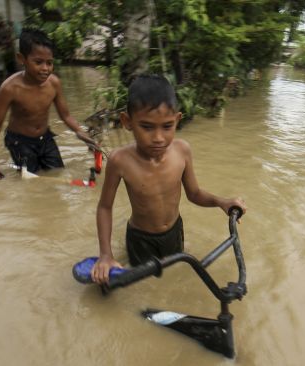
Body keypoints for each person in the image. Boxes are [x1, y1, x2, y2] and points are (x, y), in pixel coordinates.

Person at [91, 74, 247, 285]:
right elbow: (104, 208)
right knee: (143, 287)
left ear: (177, 121)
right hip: (141, 239)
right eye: (146, 127)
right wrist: (105, 255)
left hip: (174, 233)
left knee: (173, 281)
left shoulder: (182, 151)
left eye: (167, 126)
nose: (158, 138)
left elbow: (194, 194)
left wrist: (221, 201)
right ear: (127, 122)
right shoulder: (120, 160)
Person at [0, 28, 95, 178]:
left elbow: (66, 116)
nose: (45, 69)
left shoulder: (54, 83)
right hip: (19, 142)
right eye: (38, 62)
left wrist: (82, 134)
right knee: (31, 180)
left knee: (57, 174)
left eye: (49, 63)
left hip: (45, 139)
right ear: (22, 59)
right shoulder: (10, 88)